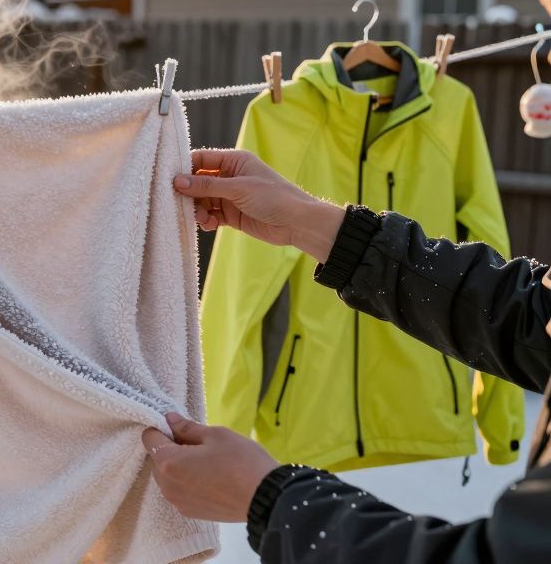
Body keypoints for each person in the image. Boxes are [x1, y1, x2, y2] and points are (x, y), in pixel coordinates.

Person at [142, 147, 551, 562]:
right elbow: (529, 315)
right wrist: (319, 225)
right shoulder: (281, 114)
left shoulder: (452, 108)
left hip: (413, 412)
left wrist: (270, 499)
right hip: (312, 410)